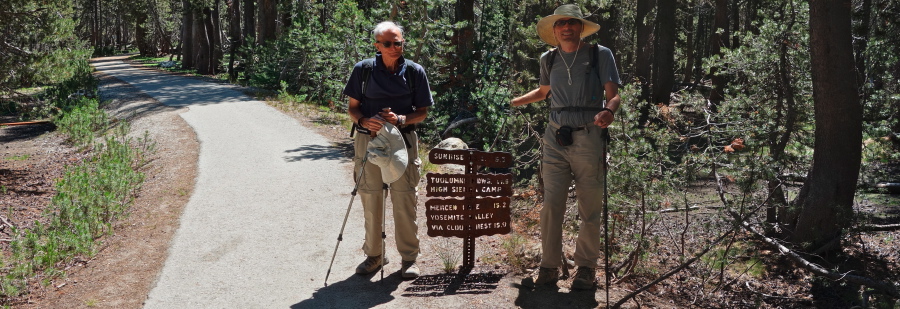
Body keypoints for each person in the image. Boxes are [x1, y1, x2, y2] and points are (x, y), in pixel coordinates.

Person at [510, 4, 622, 290]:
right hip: (555, 137)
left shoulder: (599, 54)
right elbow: (544, 92)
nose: (566, 28)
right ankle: (548, 268)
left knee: (590, 207)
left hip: (589, 136)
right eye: (561, 24)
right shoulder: (548, 59)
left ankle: (585, 269)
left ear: (581, 27)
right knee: (551, 205)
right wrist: (514, 102)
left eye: (572, 23)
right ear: (554, 30)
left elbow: (614, 95)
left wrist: (608, 111)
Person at [343, 21, 433, 279]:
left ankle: (409, 259)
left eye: (398, 43)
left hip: (403, 140)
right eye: (387, 43)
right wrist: (363, 120)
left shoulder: (415, 72)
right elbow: (352, 108)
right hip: (368, 139)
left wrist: (401, 119)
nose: (394, 47)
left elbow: (422, 113)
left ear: (403, 43)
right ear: (377, 45)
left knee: (404, 197)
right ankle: (374, 256)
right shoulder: (364, 70)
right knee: (371, 196)